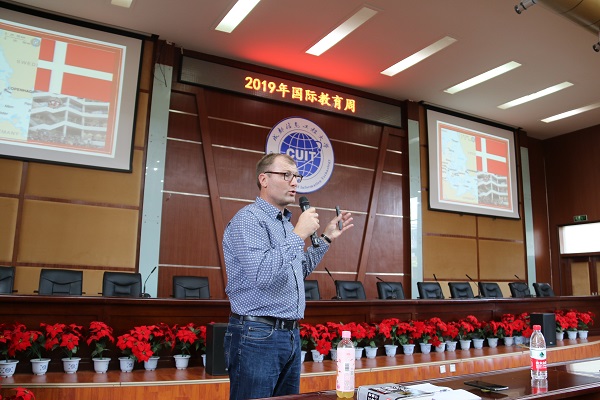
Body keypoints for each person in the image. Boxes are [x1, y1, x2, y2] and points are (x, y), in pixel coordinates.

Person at [222, 153, 353, 400]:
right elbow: (262, 274)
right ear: (264, 179)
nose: (294, 182)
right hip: (256, 334)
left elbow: (297, 271)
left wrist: (325, 238)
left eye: (296, 176)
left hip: (289, 333)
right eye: (286, 175)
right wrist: (299, 234)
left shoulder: (284, 224)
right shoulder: (248, 220)